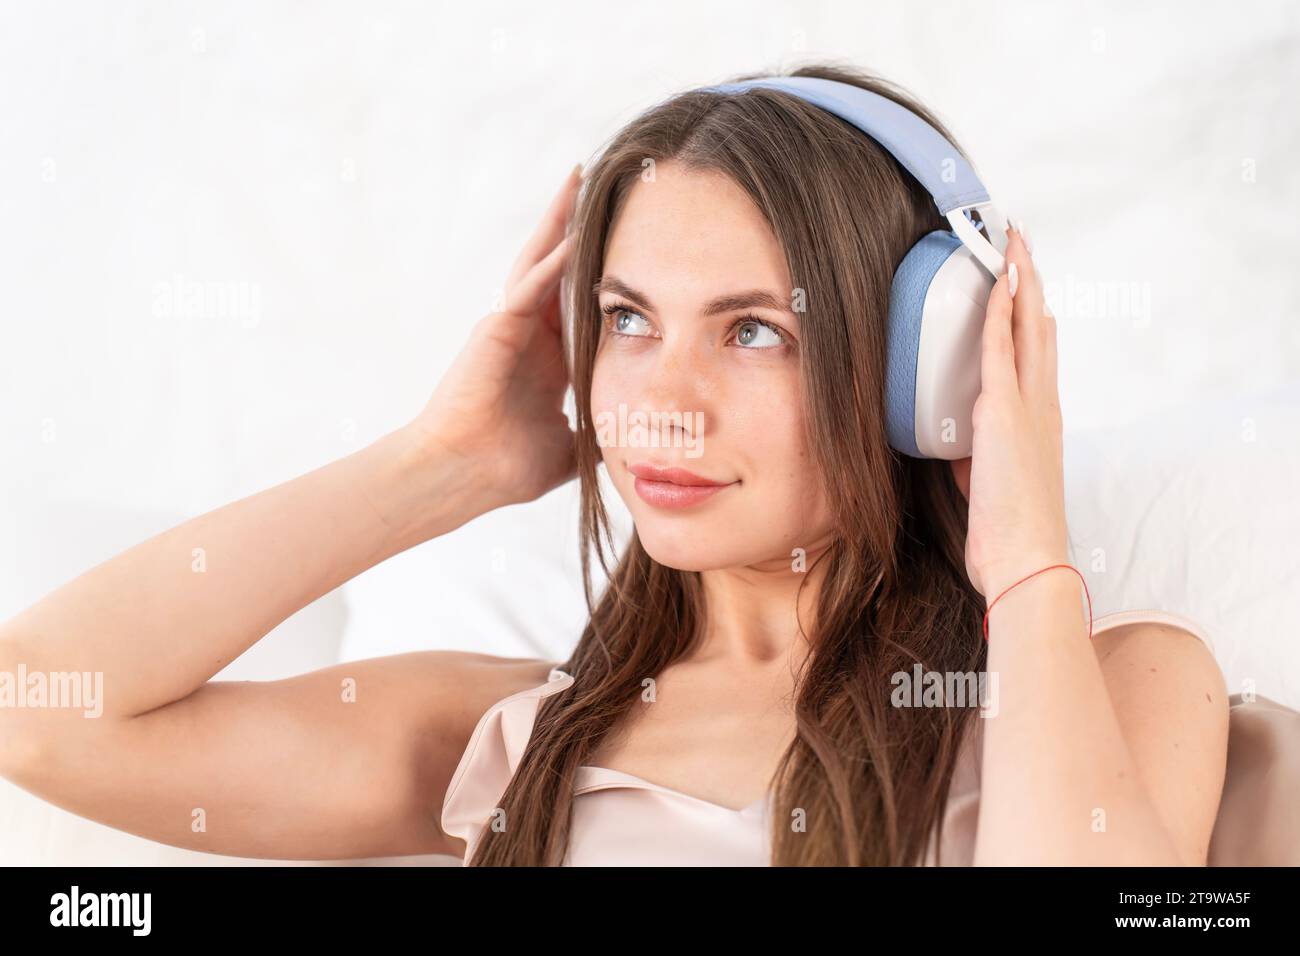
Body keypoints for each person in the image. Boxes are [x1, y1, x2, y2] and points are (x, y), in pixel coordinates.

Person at [0, 63, 1230, 866]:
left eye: (755, 330)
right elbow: (37, 710)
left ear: (929, 372)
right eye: (629, 318)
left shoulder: (1114, 690)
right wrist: (448, 461)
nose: (659, 399)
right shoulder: (508, 740)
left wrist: (1024, 563)